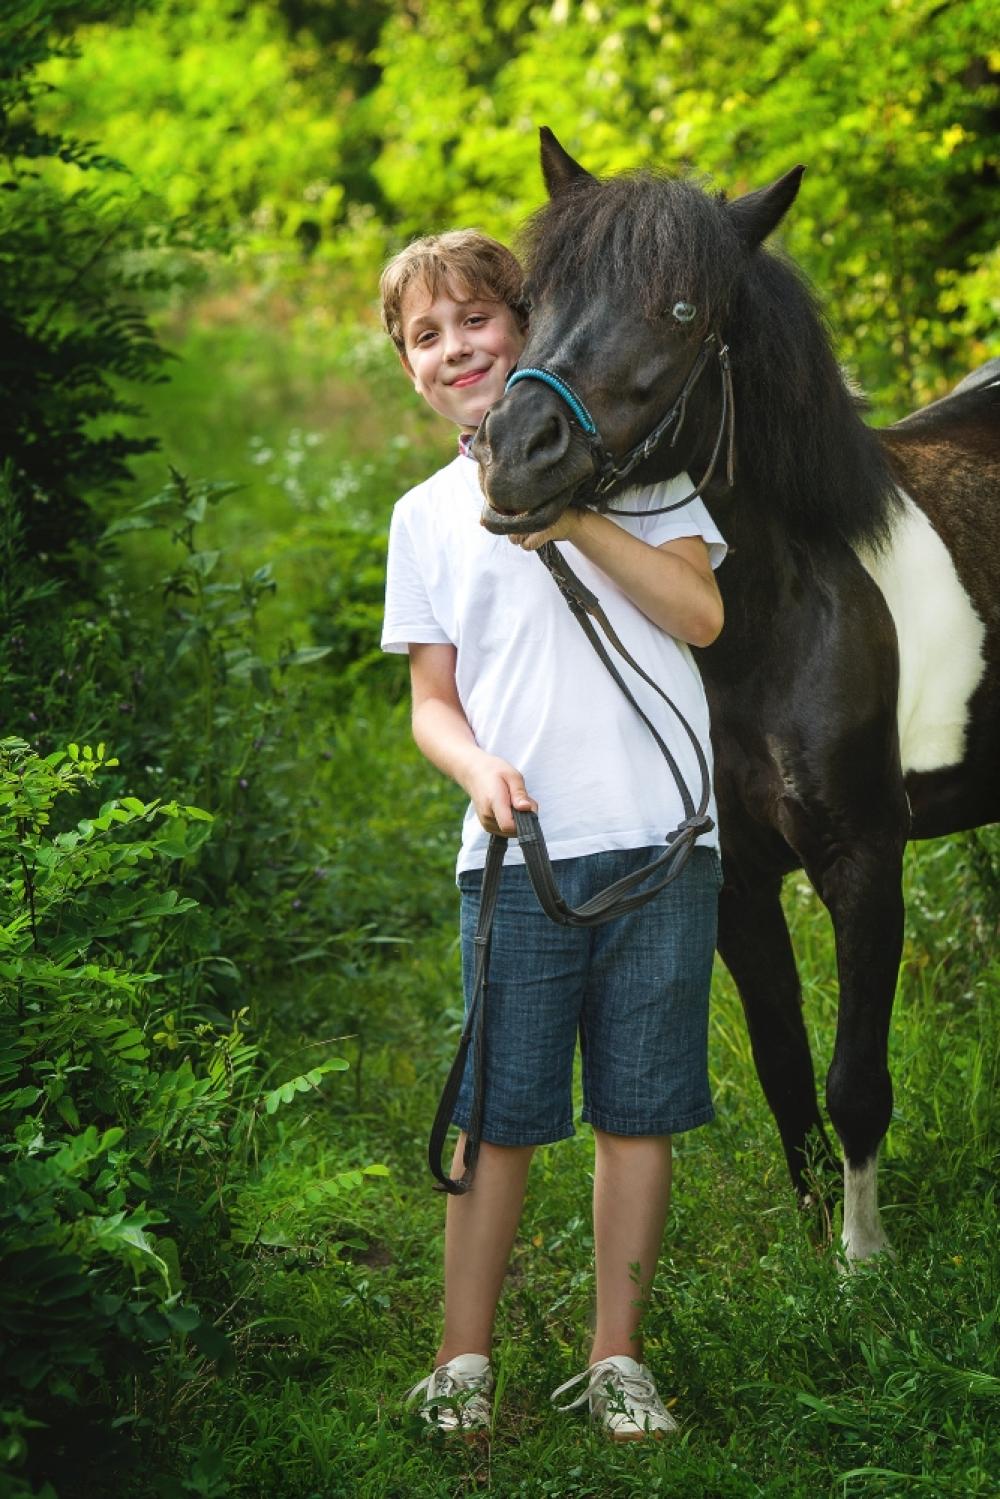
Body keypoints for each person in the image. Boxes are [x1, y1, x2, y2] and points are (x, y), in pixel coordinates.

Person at [379, 229, 726, 1441]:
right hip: (516, 853)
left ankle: (615, 1357)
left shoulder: (642, 475)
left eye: (477, 318)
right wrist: (475, 764)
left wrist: (575, 517)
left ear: (531, 330)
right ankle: (461, 1356)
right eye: (428, 334)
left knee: (638, 1110)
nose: (457, 346)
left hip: (664, 845)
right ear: (407, 365)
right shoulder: (423, 516)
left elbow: (700, 610)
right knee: (500, 1112)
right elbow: (432, 697)